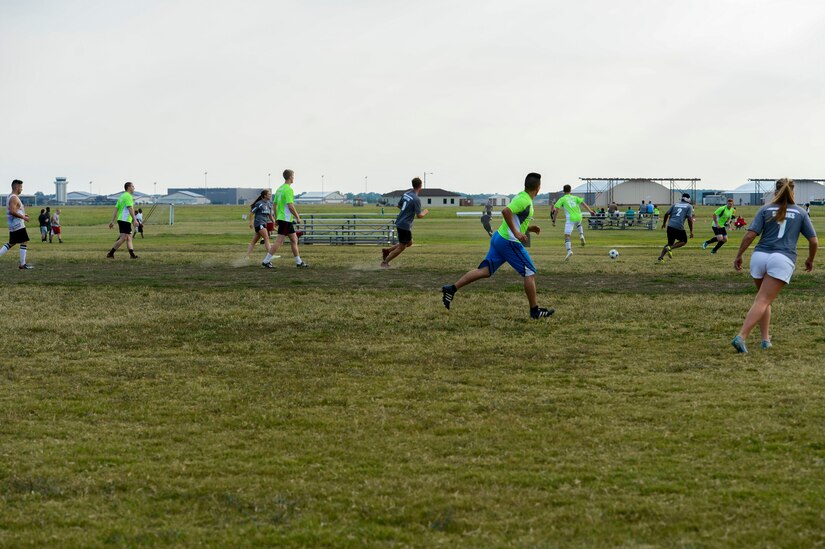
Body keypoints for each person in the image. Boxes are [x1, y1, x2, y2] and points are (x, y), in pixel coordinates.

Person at [441, 172, 554, 319]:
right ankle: (535, 311)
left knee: (485, 271)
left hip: (499, 238)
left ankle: (451, 289)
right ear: (538, 188)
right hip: (508, 241)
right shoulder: (525, 201)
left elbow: (514, 219)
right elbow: (505, 211)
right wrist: (516, 233)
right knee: (530, 272)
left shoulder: (521, 196)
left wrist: (529, 229)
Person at [731, 179, 818, 353]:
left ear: (775, 191)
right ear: (793, 192)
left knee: (763, 300)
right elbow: (813, 241)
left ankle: (765, 340)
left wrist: (739, 255)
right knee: (764, 300)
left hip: (759, 256)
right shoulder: (800, 212)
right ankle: (741, 336)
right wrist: (810, 259)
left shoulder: (764, 209)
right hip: (782, 258)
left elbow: (749, 236)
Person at [381, 177, 429, 267]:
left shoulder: (406, 194)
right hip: (405, 225)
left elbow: (399, 206)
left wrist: (407, 210)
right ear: (420, 186)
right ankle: (385, 262)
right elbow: (419, 215)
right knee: (402, 246)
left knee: (409, 242)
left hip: (400, 221)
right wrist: (425, 212)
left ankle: (387, 250)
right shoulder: (416, 199)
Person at [269, 169, 308, 268]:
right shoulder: (288, 189)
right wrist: (297, 217)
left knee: (294, 239)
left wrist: (277, 218)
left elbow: (274, 205)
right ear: (290, 177)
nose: (294, 178)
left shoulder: (279, 189)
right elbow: (290, 206)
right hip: (286, 219)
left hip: (283, 219)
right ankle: (266, 260)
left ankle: (299, 262)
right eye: (293, 176)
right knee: (279, 241)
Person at [552, 184, 595, 260]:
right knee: (578, 223)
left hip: (570, 219)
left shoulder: (562, 199)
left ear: (563, 191)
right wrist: (590, 211)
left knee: (567, 236)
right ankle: (581, 235)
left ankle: (569, 251)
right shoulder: (575, 197)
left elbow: (556, 211)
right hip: (579, 216)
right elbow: (583, 204)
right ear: (570, 190)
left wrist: (554, 220)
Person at [0, 179, 33, 269]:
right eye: (21, 187)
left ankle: (23, 264)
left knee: (12, 242)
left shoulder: (11, 196)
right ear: (17, 187)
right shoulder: (14, 197)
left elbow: (15, 210)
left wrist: (22, 214)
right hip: (17, 225)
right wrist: (23, 217)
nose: (22, 189)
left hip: (14, 224)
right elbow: (12, 211)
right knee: (24, 241)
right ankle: (22, 264)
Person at [245, 189, 278, 268]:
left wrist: (275, 223)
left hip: (264, 224)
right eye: (269, 194)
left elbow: (270, 216)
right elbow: (251, 213)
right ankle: (270, 254)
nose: (270, 195)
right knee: (266, 237)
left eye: (270, 194)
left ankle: (246, 256)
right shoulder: (259, 204)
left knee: (254, 241)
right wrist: (250, 223)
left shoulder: (269, 204)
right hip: (258, 223)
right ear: (265, 195)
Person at [657, 193, 694, 262]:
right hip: (678, 226)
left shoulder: (675, 204)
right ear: (688, 199)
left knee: (670, 243)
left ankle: (660, 257)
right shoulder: (689, 206)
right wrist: (691, 231)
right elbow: (689, 219)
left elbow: (666, 214)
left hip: (670, 226)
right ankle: (670, 248)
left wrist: (664, 223)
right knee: (684, 241)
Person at [106, 182, 139, 259]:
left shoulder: (121, 197)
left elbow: (116, 209)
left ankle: (132, 255)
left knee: (129, 237)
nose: (134, 188)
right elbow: (130, 208)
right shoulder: (128, 196)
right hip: (125, 220)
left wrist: (112, 221)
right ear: (129, 187)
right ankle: (110, 253)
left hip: (121, 219)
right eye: (133, 186)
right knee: (124, 238)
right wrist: (135, 220)